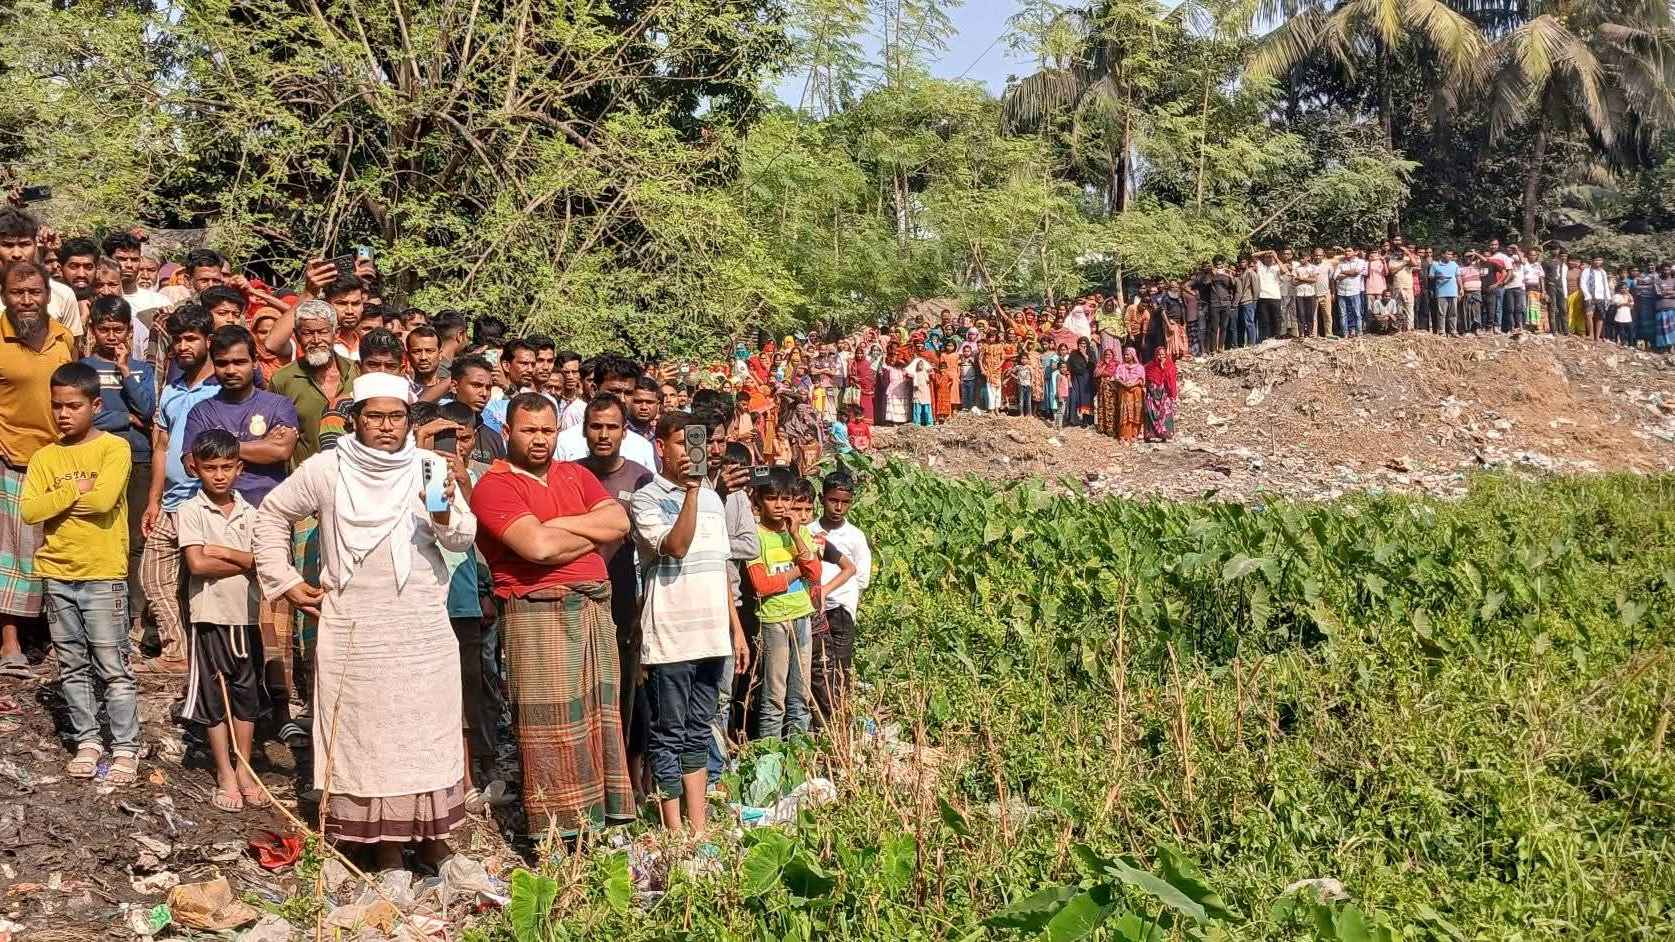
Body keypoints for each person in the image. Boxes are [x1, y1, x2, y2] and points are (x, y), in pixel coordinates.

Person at [253, 373, 476, 870]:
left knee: (426, 734)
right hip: (356, 626)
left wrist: (441, 511)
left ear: (408, 420)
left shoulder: (427, 466)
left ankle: (435, 843)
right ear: (355, 418)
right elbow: (270, 515)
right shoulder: (327, 469)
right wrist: (285, 581)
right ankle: (386, 852)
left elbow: (459, 538)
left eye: (396, 416)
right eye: (374, 416)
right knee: (368, 738)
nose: (385, 426)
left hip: (421, 627)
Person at [469, 393, 635, 839]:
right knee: (553, 726)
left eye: (547, 430)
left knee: (600, 716)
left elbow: (619, 523)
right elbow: (536, 549)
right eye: (529, 430)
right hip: (537, 611)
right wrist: (586, 528)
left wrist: (556, 527)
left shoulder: (575, 473)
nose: (539, 440)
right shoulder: (494, 485)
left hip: (593, 607)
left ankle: (602, 824)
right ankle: (558, 833)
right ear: (507, 432)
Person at [629, 412, 750, 831]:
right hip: (670, 637)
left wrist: (735, 629)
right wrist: (693, 492)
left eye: (692, 442)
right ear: (660, 447)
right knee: (667, 733)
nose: (688, 452)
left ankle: (697, 826)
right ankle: (673, 830)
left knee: (698, 729)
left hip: (712, 634)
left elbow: (720, 568)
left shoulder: (715, 499)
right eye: (681, 443)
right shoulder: (646, 498)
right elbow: (675, 546)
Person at [21, 362, 136, 782]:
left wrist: (58, 497)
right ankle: (88, 740)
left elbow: (104, 500)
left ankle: (125, 747)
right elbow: (30, 510)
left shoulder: (115, 448)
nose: (64, 414)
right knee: (71, 664)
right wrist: (74, 489)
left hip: (102, 571)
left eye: (74, 406)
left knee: (112, 663)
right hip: (57, 572)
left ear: (96, 405)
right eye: (57, 406)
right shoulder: (44, 457)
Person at [175, 429, 270, 813]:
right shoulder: (190, 510)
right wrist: (242, 560)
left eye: (226, 467)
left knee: (246, 694)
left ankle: (244, 767)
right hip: (209, 616)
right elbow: (197, 564)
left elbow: (261, 563)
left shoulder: (252, 513)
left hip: (246, 617)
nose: (219, 475)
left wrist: (223, 551)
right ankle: (225, 772)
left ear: (239, 468)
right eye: (210, 468)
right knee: (215, 695)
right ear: (196, 468)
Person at [0, 261, 79, 679]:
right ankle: (10, 644)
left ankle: (58, 637)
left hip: (60, 459)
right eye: (17, 293)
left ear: (49, 295)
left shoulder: (65, 338)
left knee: (56, 549)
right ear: (5, 296)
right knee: (10, 556)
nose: (26, 300)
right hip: (10, 457)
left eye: (34, 292)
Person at [575, 395, 654, 795]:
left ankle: (626, 778)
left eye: (611, 427)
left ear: (625, 431)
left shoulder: (641, 479)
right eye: (595, 426)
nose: (603, 434)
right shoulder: (568, 476)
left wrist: (643, 610)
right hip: (575, 597)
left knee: (625, 689)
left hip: (624, 597)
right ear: (584, 429)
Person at [81, 298, 156, 633]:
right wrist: (124, 417)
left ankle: (136, 616)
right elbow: (85, 414)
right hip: (96, 460)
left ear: (129, 330)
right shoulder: (83, 369)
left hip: (138, 459)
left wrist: (125, 371)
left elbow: (148, 408)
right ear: (93, 330)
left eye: (119, 329)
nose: (112, 336)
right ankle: (98, 616)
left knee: (135, 539)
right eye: (104, 329)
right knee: (99, 535)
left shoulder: (141, 368)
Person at [182, 326, 300, 507]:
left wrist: (214, 448)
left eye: (239, 362)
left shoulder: (279, 405)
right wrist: (262, 445)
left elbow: (281, 450)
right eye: (222, 363)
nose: (230, 370)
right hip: (217, 512)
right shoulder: (201, 412)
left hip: (269, 509)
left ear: (254, 362)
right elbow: (191, 464)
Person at [808, 472, 870, 721]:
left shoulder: (855, 536)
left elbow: (861, 577)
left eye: (844, 502)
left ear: (851, 502)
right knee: (818, 665)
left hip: (841, 608)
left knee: (841, 665)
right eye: (833, 500)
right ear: (822, 499)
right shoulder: (809, 530)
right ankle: (821, 718)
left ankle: (840, 718)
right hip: (813, 608)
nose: (838, 507)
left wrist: (836, 594)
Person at [1142, 349, 1178, 443]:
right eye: (1158, 354)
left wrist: (1163, 367)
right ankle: (1149, 435)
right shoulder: (1150, 365)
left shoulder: (1170, 366)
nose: (1161, 356)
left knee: (1165, 413)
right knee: (1150, 412)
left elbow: (1171, 379)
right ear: (1155, 355)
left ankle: (1164, 435)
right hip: (1152, 393)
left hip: (1164, 394)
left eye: (1163, 354)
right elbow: (1145, 376)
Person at [1113, 347, 1144, 442]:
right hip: (1124, 391)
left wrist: (1133, 384)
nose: (1125, 356)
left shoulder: (1140, 367)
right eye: (1125, 354)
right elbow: (1117, 378)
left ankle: (1135, 434)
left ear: (1133, 355)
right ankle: (1123, 434)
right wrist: (1125, 384)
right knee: (1124, 411)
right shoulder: (1121, 367)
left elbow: (1141, 380)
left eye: (1128, 354)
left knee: (1136, 411)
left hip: (1136, 391)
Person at [1093, 344, 1120, 437]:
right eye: (1106, 355)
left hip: (1112, 389)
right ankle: (1102, 427)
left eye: (1109, 355)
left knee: (1111, 408)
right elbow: (1096, 374)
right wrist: (1105, 367)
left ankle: (1111, 429)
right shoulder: (1100, 363)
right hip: (1102, 389)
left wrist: (1104, 372)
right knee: (1101, 407)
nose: (1107, 356)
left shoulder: (1116, 364)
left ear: (1113, 355)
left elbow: (1116, 374)